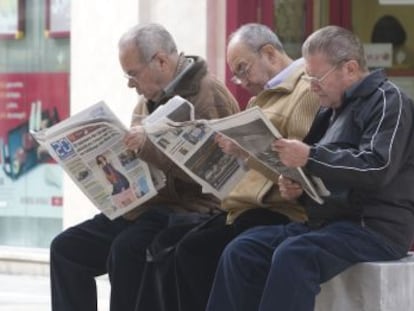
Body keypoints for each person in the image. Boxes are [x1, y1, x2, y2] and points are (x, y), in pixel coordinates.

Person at [206, 25, 414, 311]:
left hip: (375, 227)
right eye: (309, 78)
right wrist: (296, 185)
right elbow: (314, 169)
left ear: (350, 69)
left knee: (295, 255)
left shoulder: (389, 101)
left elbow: (377, 167)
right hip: (328, 222)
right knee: (243, 250)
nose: (312, 86)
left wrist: (309, 157)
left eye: (317, 78)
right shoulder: (329, 110)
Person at [49, 23, 239, 311]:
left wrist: (147, 148)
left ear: (161, 61)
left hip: (189, 210)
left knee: (127, 251)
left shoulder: (208, 94)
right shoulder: (146, 101)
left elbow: (217, 174)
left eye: (133, 74)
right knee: (66, 249)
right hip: (144, 207)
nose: (129, 83)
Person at [134, 23, 319, 311]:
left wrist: (247, 153)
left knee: (194, 252)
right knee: (168, 249)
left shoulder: (305, 90)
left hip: (278, 208)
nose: (241, 81)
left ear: (270, 54)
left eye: (243, 69)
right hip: (243, 206)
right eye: (237, 73)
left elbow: (301, 158)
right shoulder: (263, 96)